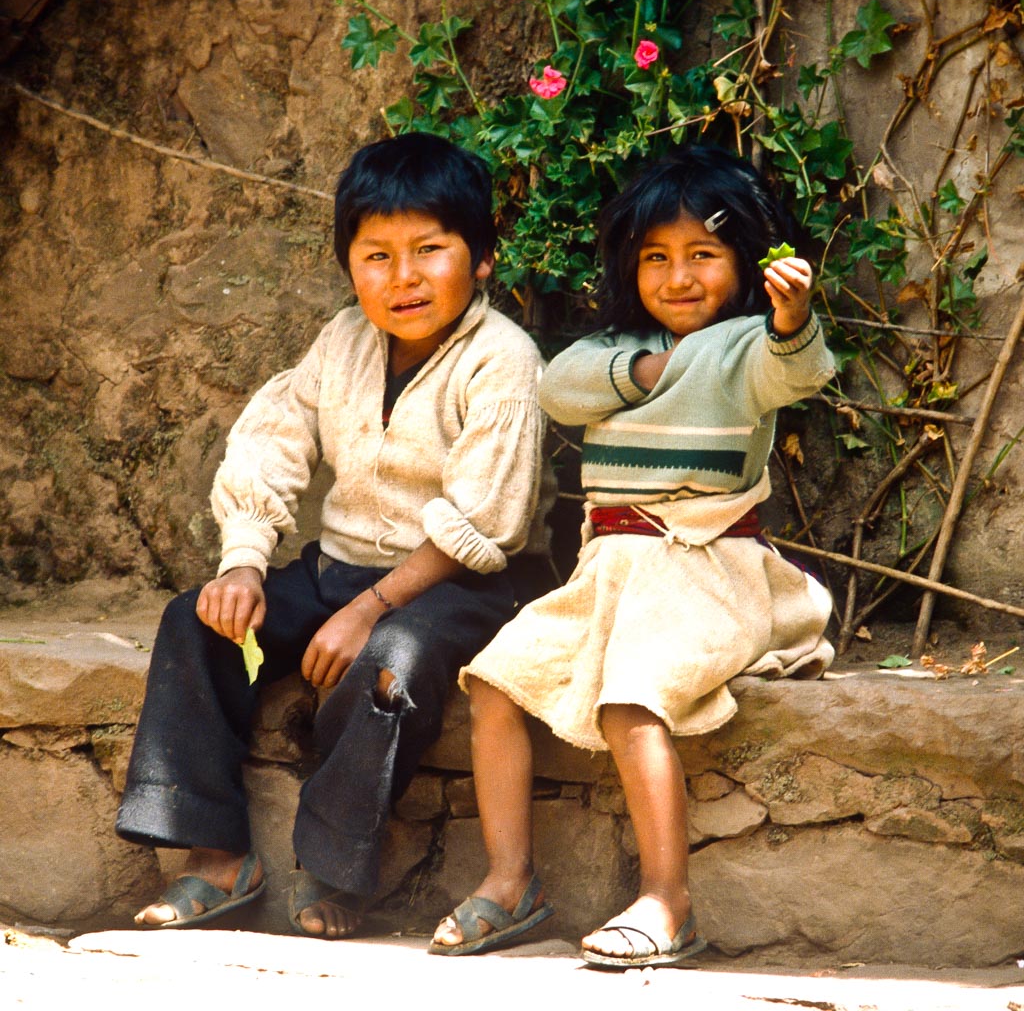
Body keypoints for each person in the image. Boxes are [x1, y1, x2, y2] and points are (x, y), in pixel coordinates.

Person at [115, 132, 553, 939]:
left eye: (430, 250)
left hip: (463, 589)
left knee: (392, 661)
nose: (404, 277)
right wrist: (244, 563)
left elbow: (482, 522)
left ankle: (342, 875)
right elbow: (273, 440)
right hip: (335, 572)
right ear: (349, 264)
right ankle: (219, 861)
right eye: (377, 255)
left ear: (483, 256)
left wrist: (370, 613)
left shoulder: (504, 362)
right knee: (197, 623)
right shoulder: (342, 341)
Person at [429, 144, 836, 968]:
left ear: (748, 266)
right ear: (629, 265)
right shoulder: (606, 351)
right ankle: (511, 882)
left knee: (631, 701)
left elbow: (799, 370)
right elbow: (560, 390)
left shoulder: (749, 349)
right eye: (656, 257)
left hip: (705, 568)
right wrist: (652, 366)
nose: (678, 276)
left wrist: (790, 318)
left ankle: (666, 902)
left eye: (703, 255)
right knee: (496, 684)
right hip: (608, 572)